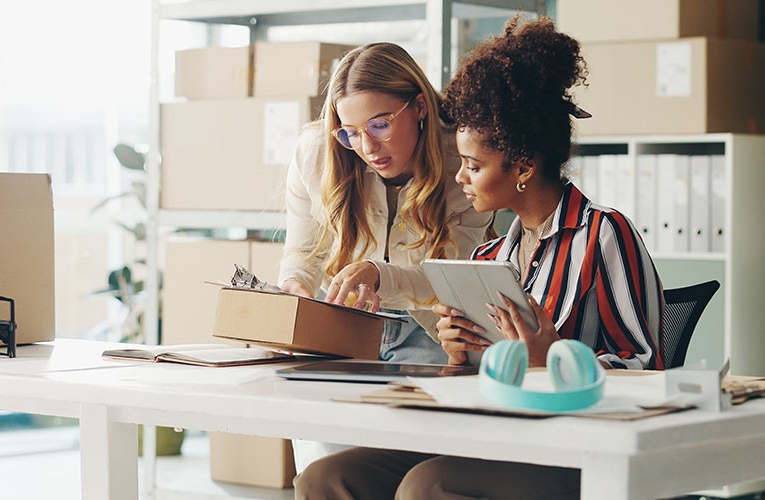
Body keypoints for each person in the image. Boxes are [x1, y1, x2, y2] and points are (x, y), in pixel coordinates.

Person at [294, 17, 665, 500]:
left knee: (427, 487)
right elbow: (478, 378)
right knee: (325, 478)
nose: (461, 179)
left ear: (524, 167)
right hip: (494, 434)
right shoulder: (491, 256)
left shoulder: (603, 234)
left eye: (472, 165)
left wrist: (552, 360)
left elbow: (650, 370)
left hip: (572, 448)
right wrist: (458, 353)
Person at [279, 42, 492, 365]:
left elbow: (450, 281)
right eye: (350, 133)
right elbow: (302, 252)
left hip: (428, 327)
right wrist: (295, 285)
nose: (367, 147)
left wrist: (378, 275)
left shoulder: (464, 163)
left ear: (419, 106)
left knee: (422, 410)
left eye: (380, 125)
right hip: (341, 316)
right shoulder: (316, 152)